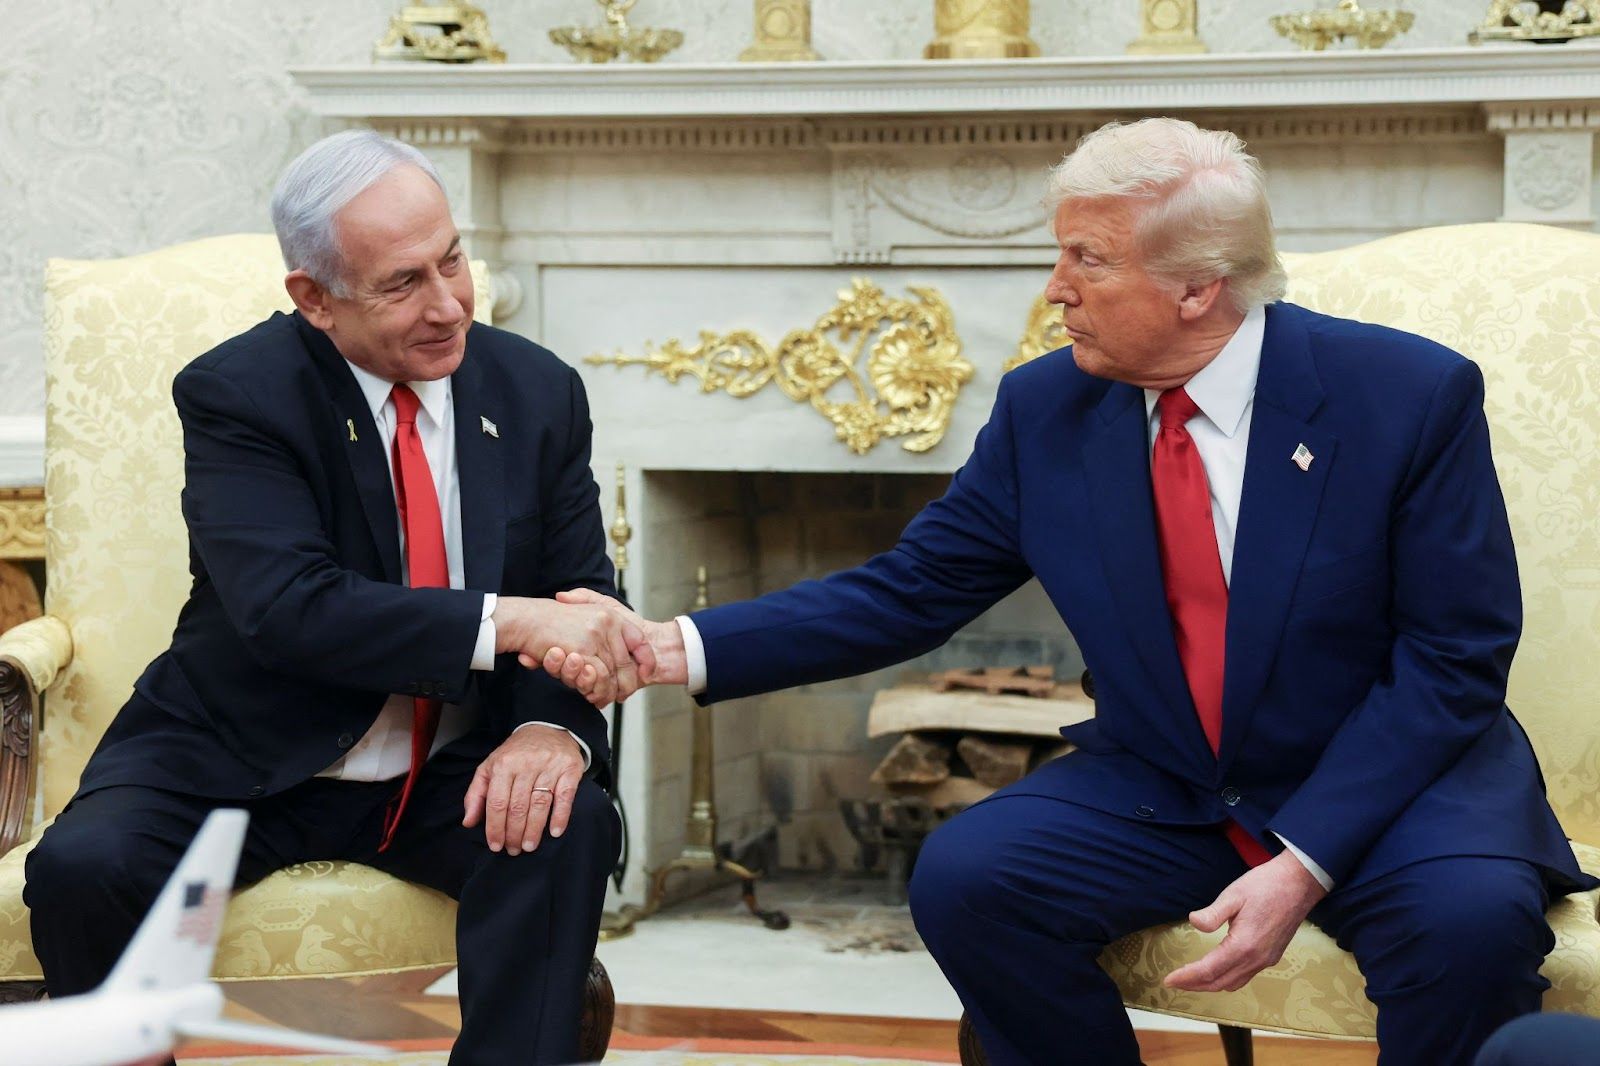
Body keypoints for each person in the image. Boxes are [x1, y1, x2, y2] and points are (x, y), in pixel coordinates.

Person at [550, 118, 1596, 1065]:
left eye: (1086, 258)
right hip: (1172, 780)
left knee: (1468, 927)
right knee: (971, 879)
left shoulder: (1404, 395)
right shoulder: (1046, 408)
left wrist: (1306, 858)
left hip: (1393, 777)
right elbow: (909, 588)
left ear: (1196, 286)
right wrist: (660, 645)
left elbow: (1450, 658)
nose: (1054, 287)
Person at [23, 129, 649, 1066]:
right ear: (314, 298)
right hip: (242, 751)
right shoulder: (240, 395)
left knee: (567, 824)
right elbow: (291, 608)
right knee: (83, 870)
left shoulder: (536, 391)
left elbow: (582, 595)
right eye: (403, 284)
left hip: (449, 764)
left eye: (452, 261)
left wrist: (549, 730)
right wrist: (513, 619)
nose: (449, 306)